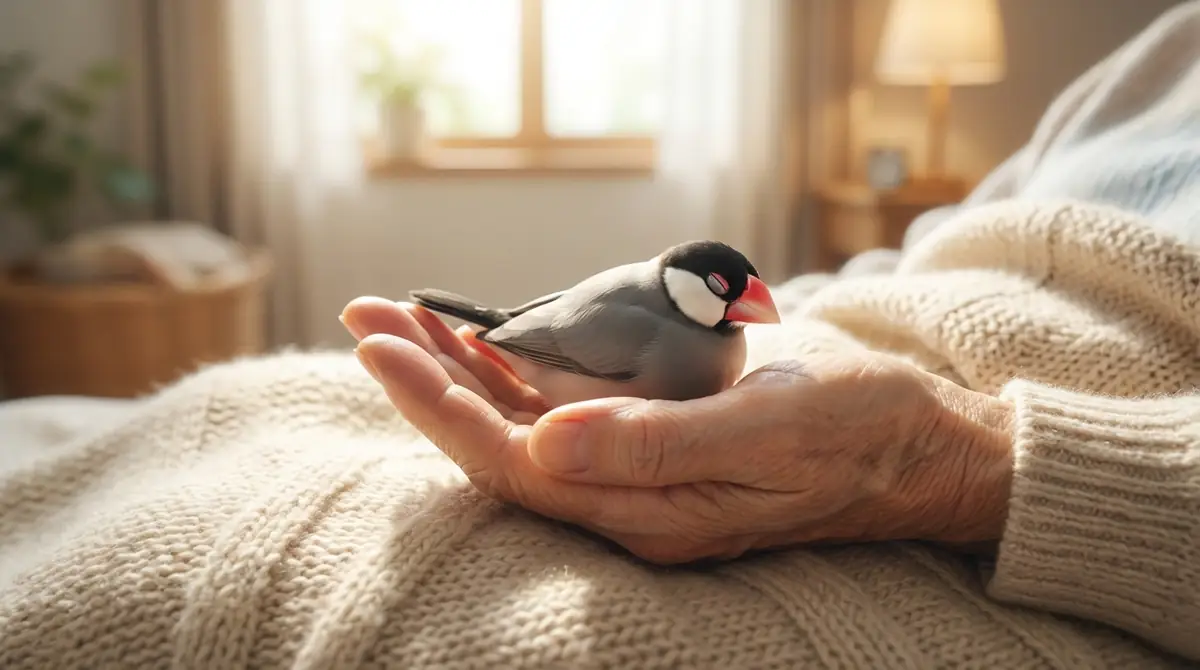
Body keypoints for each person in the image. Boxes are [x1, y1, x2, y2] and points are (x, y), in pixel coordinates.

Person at [0, 3, 1196, 669]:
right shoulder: (1155, 53)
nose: (744, 305)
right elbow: (913, 262)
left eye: (743, 297)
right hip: (839, 362)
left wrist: (964, 463)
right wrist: (830, 329)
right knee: (217, 421)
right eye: (729, 291)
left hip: (1018, 480)